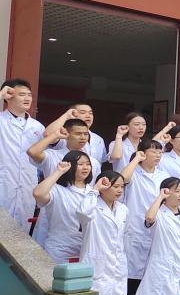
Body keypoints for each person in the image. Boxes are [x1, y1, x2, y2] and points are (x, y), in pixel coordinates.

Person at [118, 140, 168, 295]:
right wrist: (135, 160)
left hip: (156, 233)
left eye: (160, 152)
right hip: (135, 232)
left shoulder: (163, 176)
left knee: (150, 280)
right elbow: (122, 179)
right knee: (131, 280)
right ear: (142, 153)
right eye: (153, 151)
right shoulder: (134, 174)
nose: (157, 155)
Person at [27, 116, 92, 247]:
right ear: (67, 134)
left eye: (86, 134)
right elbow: (32, 152)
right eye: (78, 134)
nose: (83, 137)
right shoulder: (53, 155)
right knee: (46, 249)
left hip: (80, 213)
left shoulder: (92, 161)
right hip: (53, 206)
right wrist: (55, 135)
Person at [33, 152, 96, 262]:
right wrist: (59, 171)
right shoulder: (57, 190)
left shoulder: (94, 192)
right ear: (70, 165)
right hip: (59, 250)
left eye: (88, 164)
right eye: (81, 164)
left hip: (86, 250)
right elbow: (38, 194)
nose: (85, 167)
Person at [0, 79, 45, 231]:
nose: (27, 98)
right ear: (8, 96)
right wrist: (1, 95)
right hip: (4, 183)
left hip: (27, 186)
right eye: (22, 94)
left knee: (20, 234)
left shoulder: (38, 127)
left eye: (29, 95)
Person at [55, 103, 108, 172]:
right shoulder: (62, 134)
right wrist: (66, 116)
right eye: (83, 112)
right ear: (72, 115)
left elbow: (101, 162)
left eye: (90, 113)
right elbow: (47, 134)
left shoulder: (99, 139)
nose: (88, 116)